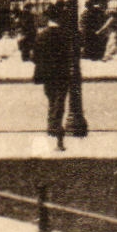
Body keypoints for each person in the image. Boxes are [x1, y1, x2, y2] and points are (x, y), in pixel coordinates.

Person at [32, 8, 72, 140]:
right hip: (61, 71)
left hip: (47, 72)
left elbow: (35, 56)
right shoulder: (65, 34)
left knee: (51, 99)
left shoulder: (42, 35)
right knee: (60, 99)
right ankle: (56, 125)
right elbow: (71, 54)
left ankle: (51, 125)